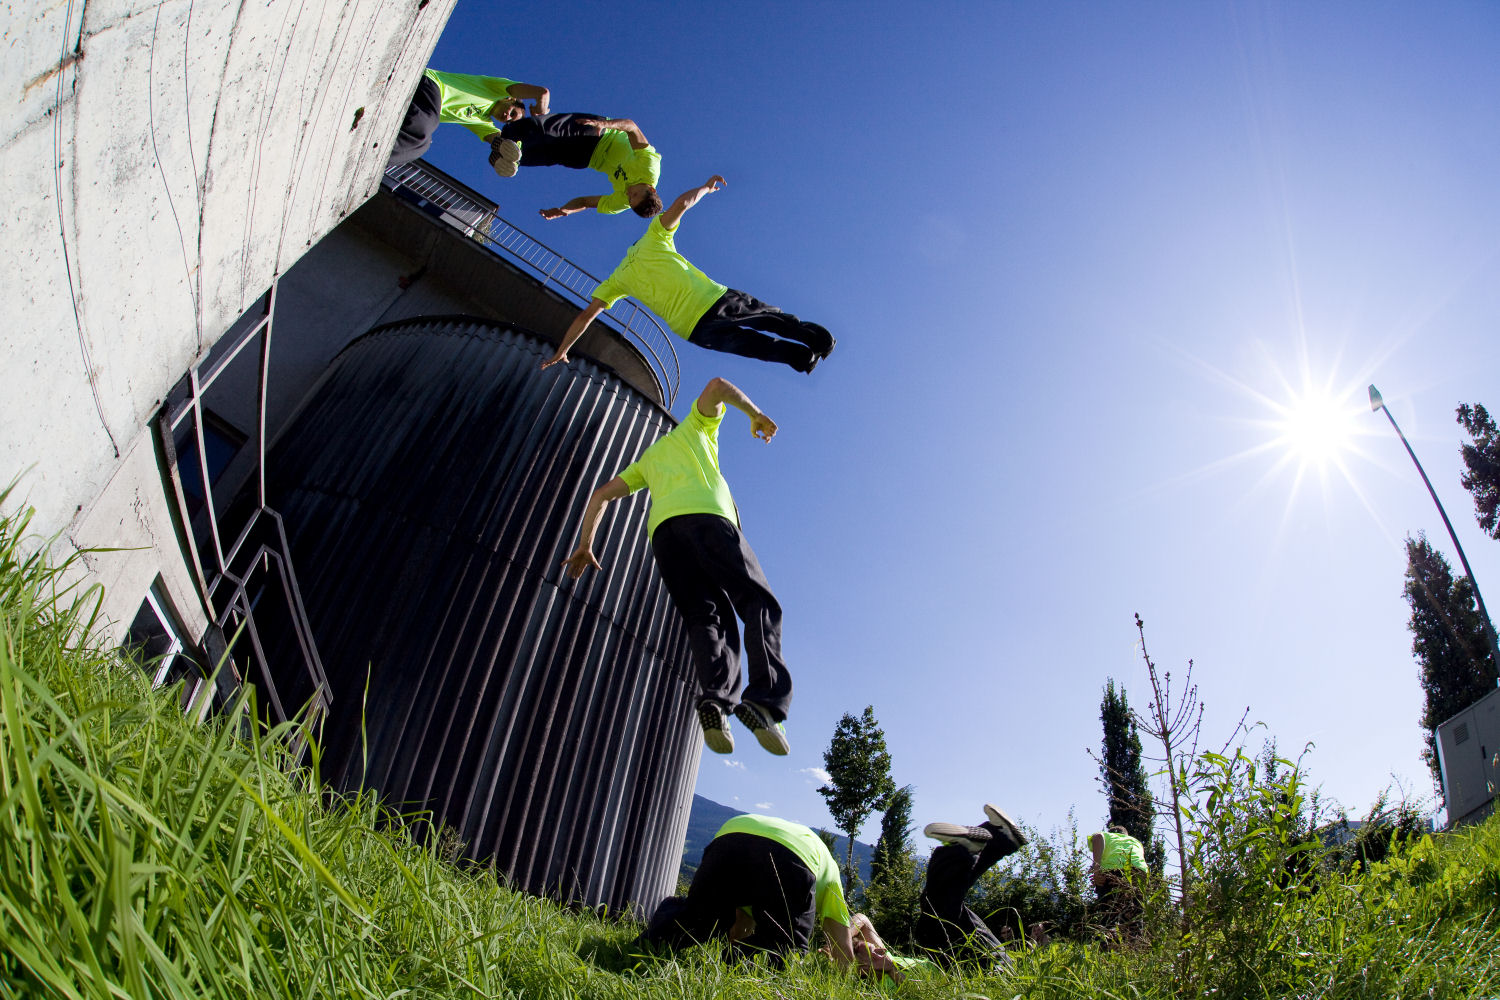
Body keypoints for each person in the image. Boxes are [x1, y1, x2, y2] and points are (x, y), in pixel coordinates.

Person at [562, 377, 791, 756]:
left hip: (666, 538)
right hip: (708, 519)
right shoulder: (697, 427)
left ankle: (716, 700)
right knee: (757, 602)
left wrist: (586, 544)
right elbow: (717, 385)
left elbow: (600, 494)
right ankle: (765, 702)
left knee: (707, 618)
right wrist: (756, 414)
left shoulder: (647, 462)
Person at [540, 176, 836, 374]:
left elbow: (585, 317)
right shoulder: (653, 237)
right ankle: (820, 341)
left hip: (694, 329)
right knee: (770, 318)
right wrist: (706, 188)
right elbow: (682, 204)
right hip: (712, 299)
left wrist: (562, 350)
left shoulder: (615, 280)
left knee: (756, 347)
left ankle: (803, 360)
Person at [639, 813, 883, 974]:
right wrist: (843, 979)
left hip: (730, 834)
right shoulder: (831, 877)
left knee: (699, 918)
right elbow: (843, 953)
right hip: (793, 853)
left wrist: (731, 956)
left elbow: (741, 925)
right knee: (787, 950)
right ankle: (731, 967)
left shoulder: (769, 886)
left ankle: (650, 940)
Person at [913, 803, 1029, 967]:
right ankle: (986, 843)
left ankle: (999, 839)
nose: (874, 951)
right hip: (991, 972)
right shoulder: (874, 975)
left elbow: (863, 921)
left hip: (993, 963)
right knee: (933, 913)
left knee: (940, 905)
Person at [487, 114, 663, 219]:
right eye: (634, 194)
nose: (628, 194)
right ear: (651, 189)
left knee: (545, 155)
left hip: (589, 159)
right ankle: (507, 137)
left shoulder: (621, 203)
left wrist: (565, 210)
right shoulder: (649, 167)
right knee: (544, 128)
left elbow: (585, 202)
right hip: (598, 134)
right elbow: (631, 127)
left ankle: (504, 156)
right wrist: (604, 124)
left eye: (630, 200)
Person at [387, 69, 550, 169]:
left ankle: (379, 155)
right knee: (427, 123)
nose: (506, 117)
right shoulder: (496, 90)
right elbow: (542, 93)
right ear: (509, 99)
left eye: (508, 121)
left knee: (421, 146)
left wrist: (505, 156)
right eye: (512, 113)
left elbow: (500, 141)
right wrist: (541, 110)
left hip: (420, 109)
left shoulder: (483, 123)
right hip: (430, 84)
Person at [1088, 825, 1148, 936]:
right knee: (1134, 915)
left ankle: (1109, 946)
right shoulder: (1135, 841)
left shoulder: (1107, 836)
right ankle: (1135, 946)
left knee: (1110, 913)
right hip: (1138, 873)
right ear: (1126, 835)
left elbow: (1098, 837)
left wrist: (1096, 870)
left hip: (1114, 871)